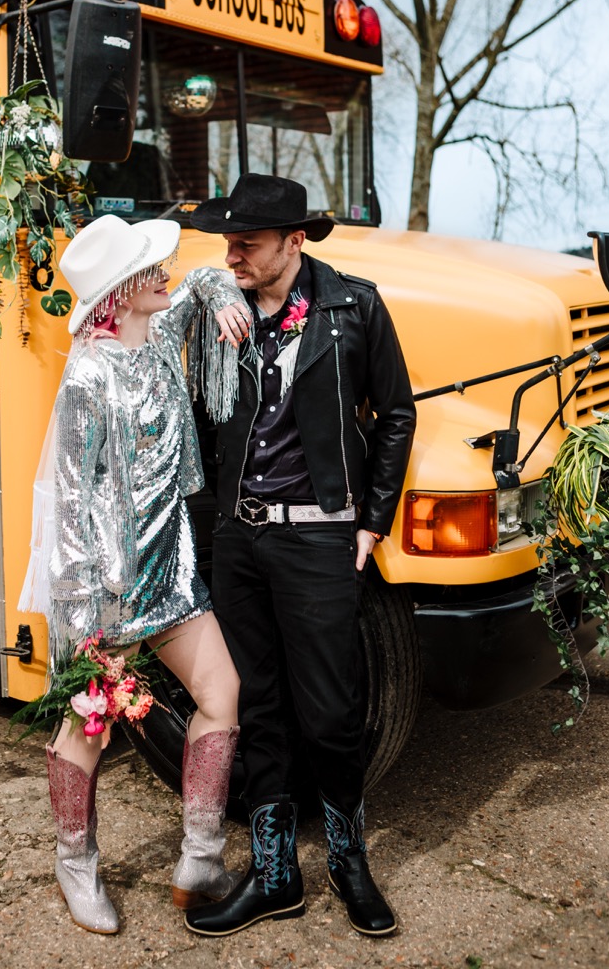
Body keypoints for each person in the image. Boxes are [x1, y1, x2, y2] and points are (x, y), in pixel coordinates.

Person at [182, 173, 416, 939]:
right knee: (259, 709)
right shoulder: (222, 304)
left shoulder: (355, 306)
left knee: (331, 710)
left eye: (247, 242)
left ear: (295, 241)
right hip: (239, 538)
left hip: (320, 534)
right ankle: (275, 873)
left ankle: (349, 864)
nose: (232, 253)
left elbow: (395, 415)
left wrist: (370, 522)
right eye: (227, 242)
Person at [35, 212, 251, 936]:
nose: (163, 272)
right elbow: (66, 502)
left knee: (220, 693)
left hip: (175, 571)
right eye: (147, 269)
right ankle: (75, 864)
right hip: (111, 588)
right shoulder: (86, 378)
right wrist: (83, 609)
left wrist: (218, 289)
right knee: (86, 729)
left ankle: (198, 856)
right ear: (119, 292)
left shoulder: (156, 340)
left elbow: (198, 283)